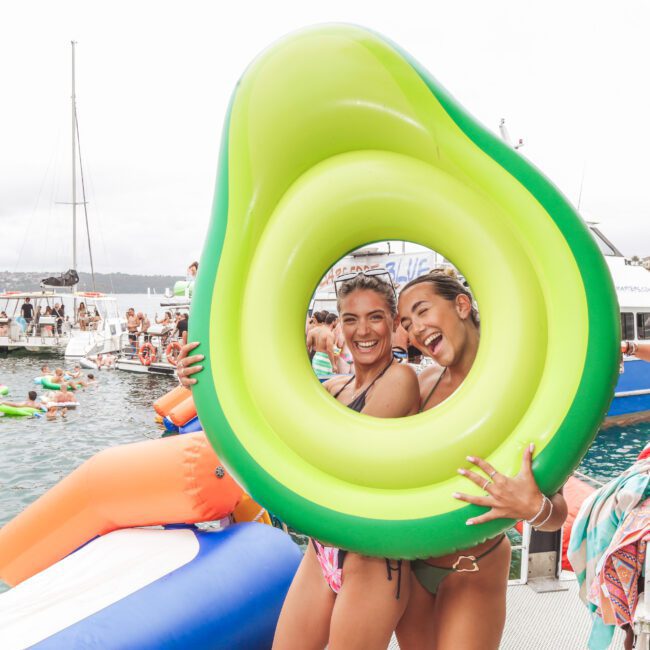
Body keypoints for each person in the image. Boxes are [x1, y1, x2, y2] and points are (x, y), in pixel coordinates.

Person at [394, 269, 568, 650]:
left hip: (473, 567)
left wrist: (532, 508)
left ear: (461, 304)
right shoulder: (420, 387)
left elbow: (556, 513)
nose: (416, 329)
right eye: (406, 323)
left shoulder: (520, 388)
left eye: (423, 311)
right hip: (412, 567)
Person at [306, 311, 338, 379]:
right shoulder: (329, 333)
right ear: (333, 322)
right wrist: (333, 365)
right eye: (336, 321)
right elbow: (329, 350)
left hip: (316, 356)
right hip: (324, 360)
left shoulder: (317, 330)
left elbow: (307, 346)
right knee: (326, 382)